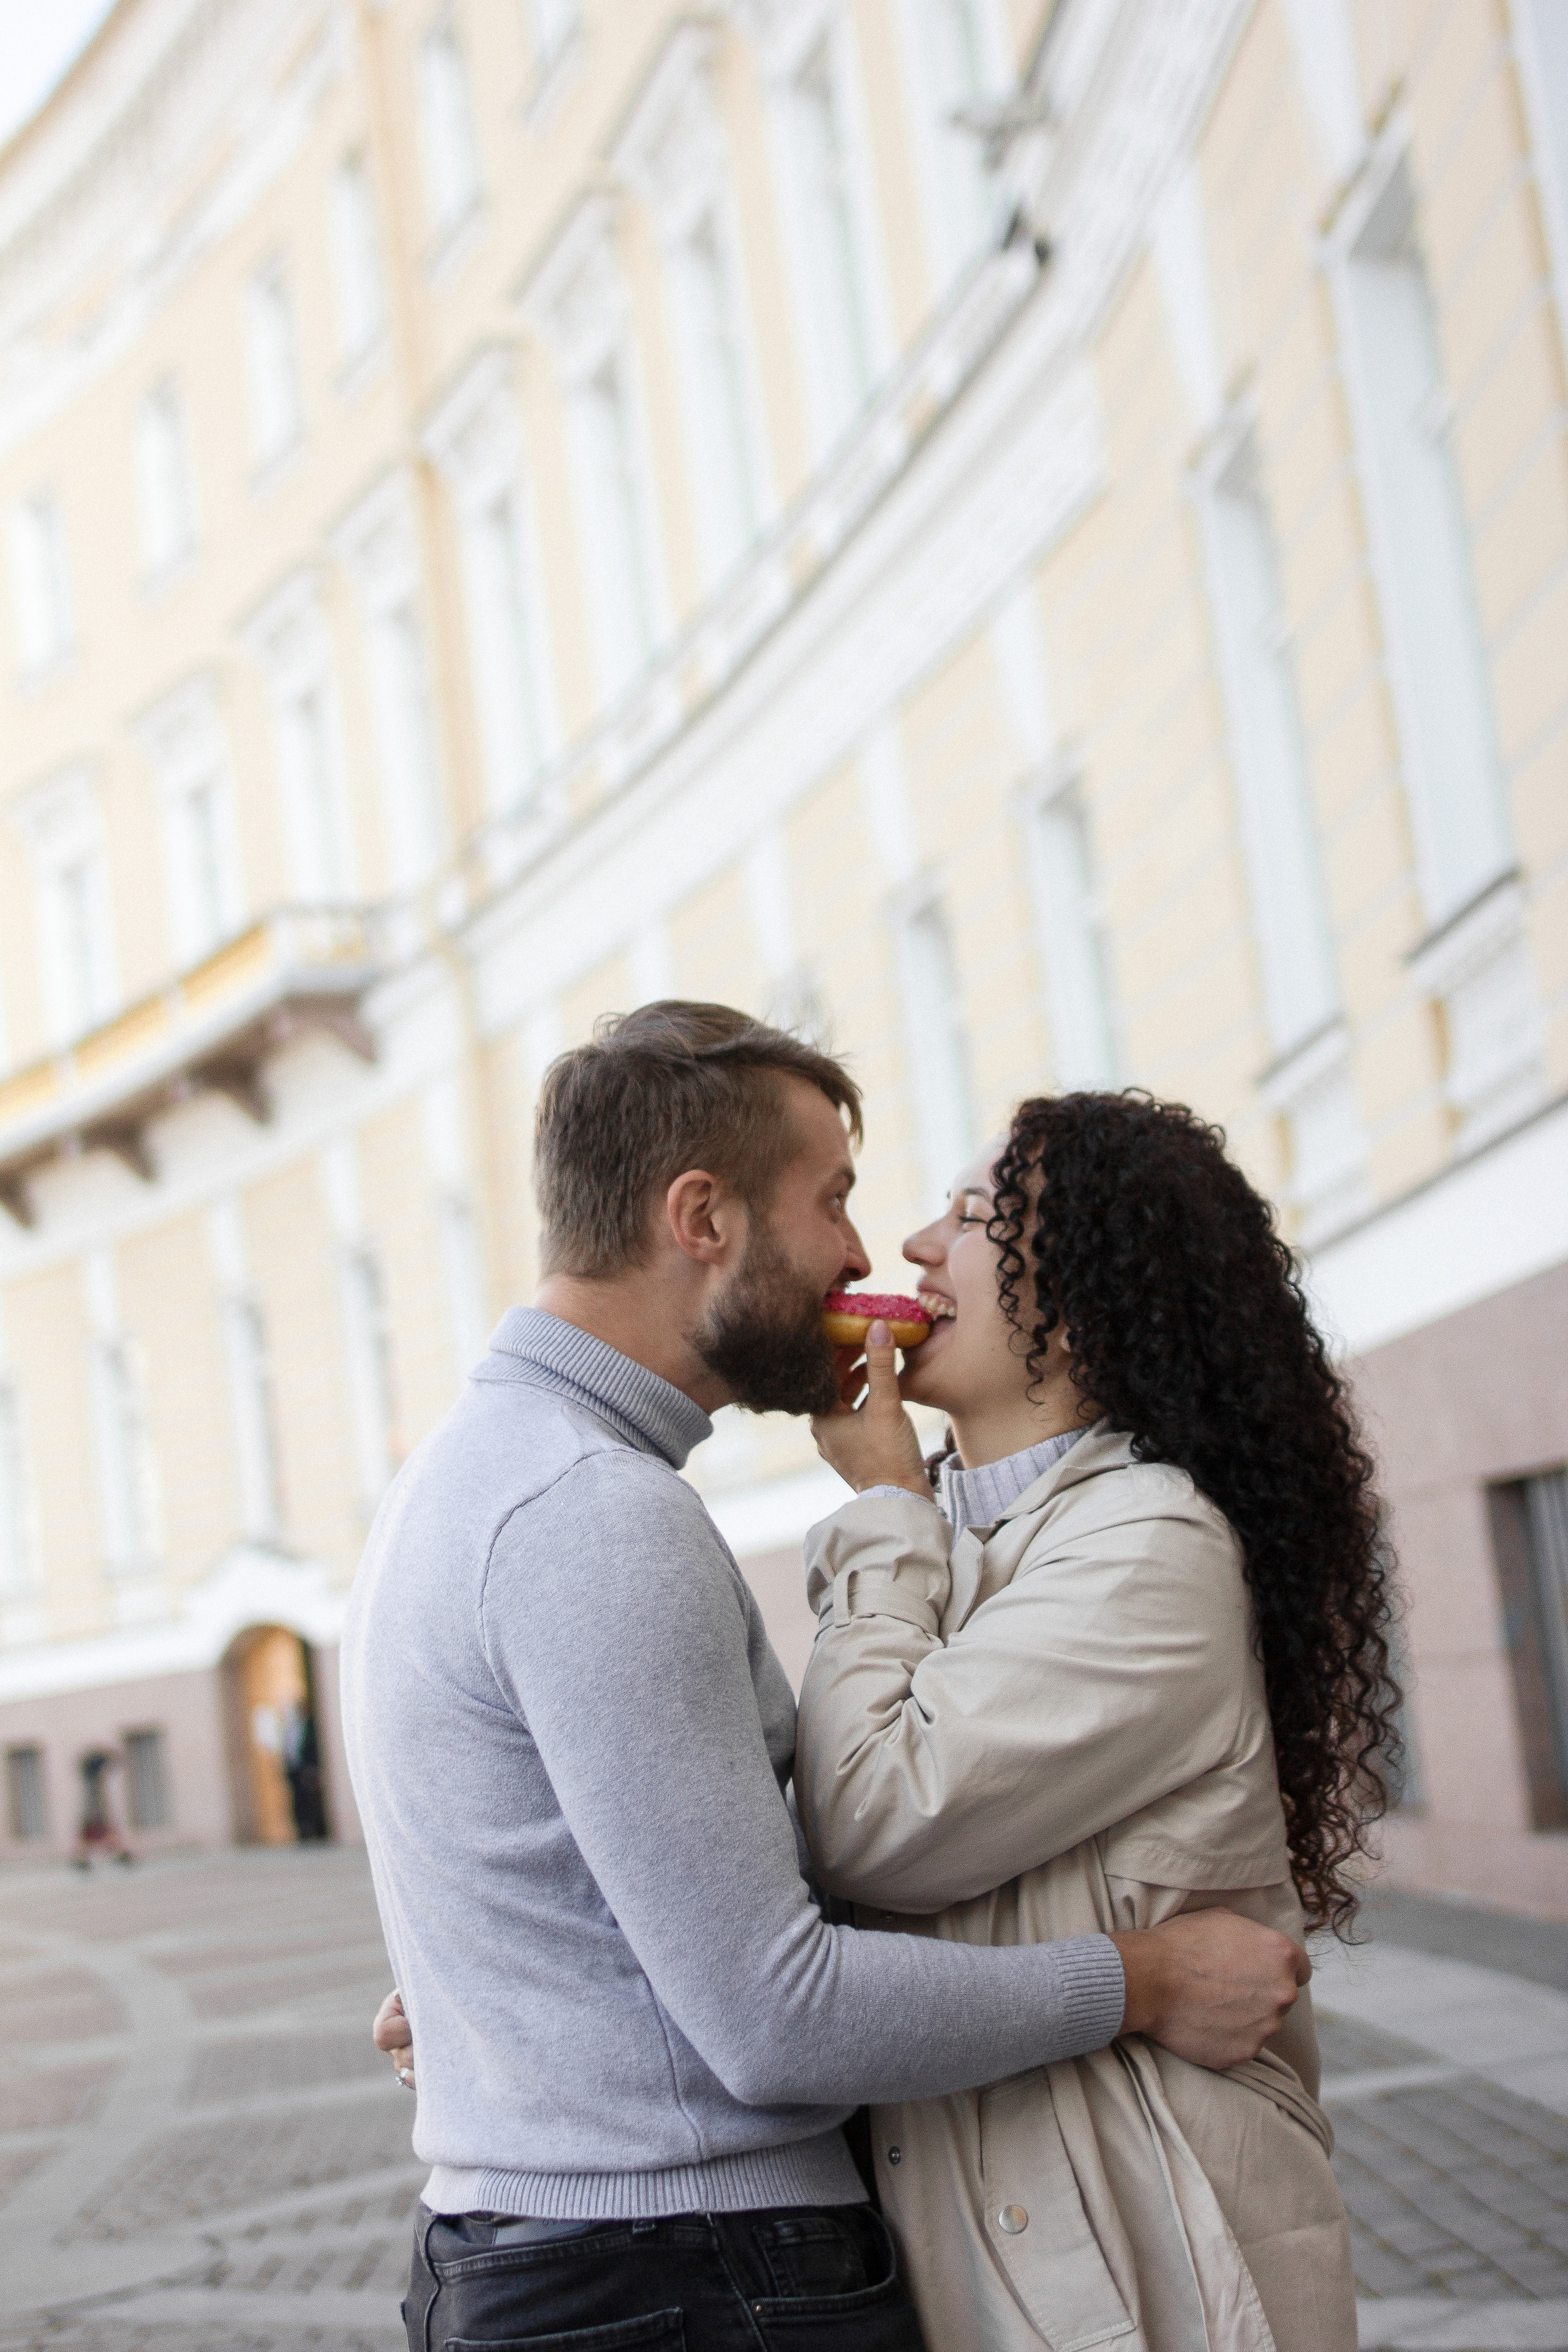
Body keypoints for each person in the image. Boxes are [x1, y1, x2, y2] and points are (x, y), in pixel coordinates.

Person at [344, 1004, 1308, 2352]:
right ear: (704, 1222)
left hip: (631, 2264)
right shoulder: (589, 1511)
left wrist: (511, 1986)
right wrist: (1141, 1979)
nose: (871, 1252)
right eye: (834, 1199)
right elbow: (780, 2006)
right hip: (683, 2279)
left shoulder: (478, 1477)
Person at [799, 1091, 1401, 2352]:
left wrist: (884, 1511)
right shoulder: (947, 1540)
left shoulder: (1148, 1546)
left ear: (1075, 1302)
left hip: (1149, 2267)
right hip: (996, 2248)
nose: (909, 1245)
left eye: (967, 1219)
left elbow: (869, 1822)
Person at [72, 1748, 134, 1871]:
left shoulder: (93, 1784)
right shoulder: (94, 1785)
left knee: (96, 1835)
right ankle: (121, 1854)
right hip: (95, 1814)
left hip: (94, 1814)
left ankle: (120, 1854)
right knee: (101, 1834)